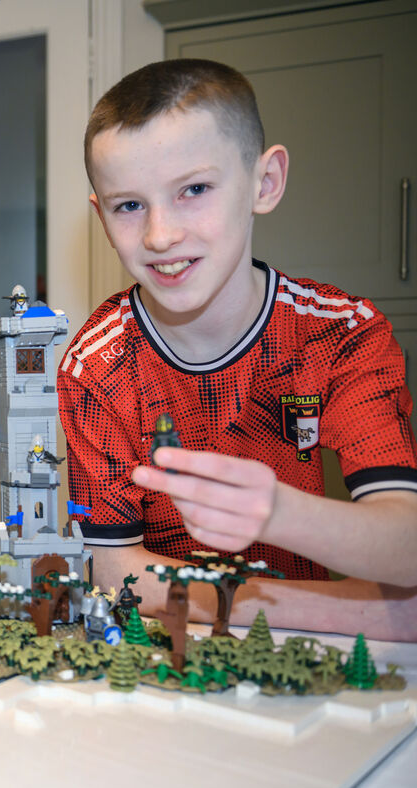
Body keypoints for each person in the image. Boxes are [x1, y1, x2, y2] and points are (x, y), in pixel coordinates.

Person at [60, 59, 417, 640]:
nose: (159, 235)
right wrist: (358, 612)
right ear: (101, 215)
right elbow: (112, 567)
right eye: (129, 205)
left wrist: (279, 513)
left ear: (265, 182)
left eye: (194, 190)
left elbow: (406, 543)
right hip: (175, 653)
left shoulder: (341, 333)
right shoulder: (95, 365)